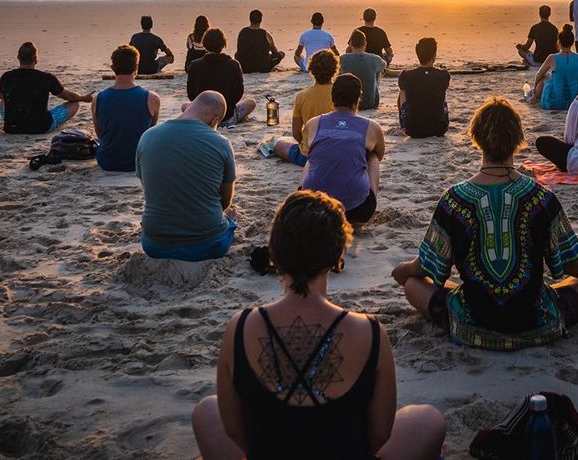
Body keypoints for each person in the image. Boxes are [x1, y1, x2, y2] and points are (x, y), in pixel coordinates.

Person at [191, 191, 447, 460]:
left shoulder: (240, 327)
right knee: (429, 419)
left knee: (206, 410)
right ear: (337, 256)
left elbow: (235, 433)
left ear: (274, 253)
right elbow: (379, 437)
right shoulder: (370, 333)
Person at [392, 98, 578, 351]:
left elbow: (426, 266)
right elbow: (572, 264)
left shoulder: (453, 200)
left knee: (414, 285)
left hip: (471, 322)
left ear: (477, 139)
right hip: (536, 320)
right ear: (517, 140)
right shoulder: (542, 198)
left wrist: (403, 271)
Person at [136, 91, 236, 261]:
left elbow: (149, 189)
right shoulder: (221, 143)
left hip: (154, 245)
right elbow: (225, 201)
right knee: (229, 222)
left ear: (188, 106)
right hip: (207, 246)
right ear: (214, 121)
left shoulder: (147, 136)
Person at [299, 74, 385, 226]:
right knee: (372, 156)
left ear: (332, 98)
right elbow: (380, 153)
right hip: (357, 210)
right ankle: (364, 211)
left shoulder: (313, 123)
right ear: (358, 99)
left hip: (312, 206)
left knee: (312, 158)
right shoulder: (371, 126)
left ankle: (305, 191)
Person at [0, 42, 94, 134]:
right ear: (36, 59)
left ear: (18, 57)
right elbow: (66, 95)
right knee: (75, 103)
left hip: (12, 127)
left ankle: (16, 120)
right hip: (40, 127)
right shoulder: (46, 78)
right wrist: (82, 98)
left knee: (3, 101)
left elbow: (2, 97)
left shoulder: (6, 76)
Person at [93, 44, 161, 172]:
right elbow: (149, 132)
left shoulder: (98, 98)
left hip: (107, 161)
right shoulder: (152, 98)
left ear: (113, 68)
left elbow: (100, 133)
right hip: (138, 161)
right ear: (136, 68)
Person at [266, 50, 339, 166]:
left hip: (308, 155)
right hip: (336, 153)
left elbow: (296, 132)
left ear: (311, 70)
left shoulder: (302, 96)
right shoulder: (340, 94)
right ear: (335, 70)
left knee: (276, 143)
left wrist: (304, 144)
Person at [187, 28, 257, 124]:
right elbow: (238, 93)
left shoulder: (195, 65)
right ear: (223, 44)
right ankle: (231, 119)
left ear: (205, 44)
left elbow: (191, 95)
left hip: (203, 115)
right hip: (227, 114)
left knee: (185, 106)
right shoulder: (234, 64)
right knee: (251, 102)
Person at [398, 37, 451, 138]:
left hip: (412, 129)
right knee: (440, 89)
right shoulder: (444, 75)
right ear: (434, 56)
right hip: (440, 128)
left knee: (402, 89)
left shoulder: (406, 75)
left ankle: (403, 123)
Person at [528, 25, 578, 111]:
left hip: (555, 102)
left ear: (559, 42)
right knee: (550, 75)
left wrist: (535, 88)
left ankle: (534, 96)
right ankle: (535, 94)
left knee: (543, 77)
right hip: (575, 101)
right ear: (572, 42)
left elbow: (539, 74)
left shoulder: (552, 57)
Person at [340, 29, 387, 111]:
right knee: (377, 69)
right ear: (365, 43)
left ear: (350, 44)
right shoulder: (374, 58)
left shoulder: (342, 59)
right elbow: (384, 66)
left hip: (348, 103)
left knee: (341, 72)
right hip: (370, 103)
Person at [235, 10, 285, 74]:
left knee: (236, 54)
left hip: (245, 67)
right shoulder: (265, 34)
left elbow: (239, 50)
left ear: (250, 19)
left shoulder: (242, 32)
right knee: (281, 54)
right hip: (263, 67)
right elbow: (274, 51)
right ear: (261, 20)